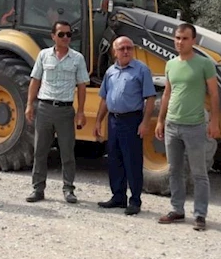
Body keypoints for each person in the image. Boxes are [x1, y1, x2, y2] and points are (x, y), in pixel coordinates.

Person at [154, 23, 221, 231]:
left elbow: (214, 94)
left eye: (184, 38)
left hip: (194, 126)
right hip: (172, 126)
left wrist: (215, 121)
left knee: (199, 173)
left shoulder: (204, 64)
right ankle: (177, 209)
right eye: (177, 38)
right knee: (175, 171)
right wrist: (160, 120)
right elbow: (167, 93)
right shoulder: (170, 64)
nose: (179, 42)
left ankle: (200, 214)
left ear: (193, 41)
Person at [25, 21, 89, 203]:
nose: (66, 38)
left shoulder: (77, 58)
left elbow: (82, 86)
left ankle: (68, 189)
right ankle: (38, 189)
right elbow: (35, 80)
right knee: (40, 150)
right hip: (44, 108)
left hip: (65, 110)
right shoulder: (44, 55)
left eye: (69, 35)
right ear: (53, 36)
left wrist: (81, 111)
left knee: (67, 152)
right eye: (61, 34)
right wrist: (30, 104)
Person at [94, 37, 156, 215]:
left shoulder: (142, 70)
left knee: (133, 161)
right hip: (113, 120)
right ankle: (118, 197)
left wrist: (145, 122)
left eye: (129, 47)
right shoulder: (110, 72)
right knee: (114, 159)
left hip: (132, 121)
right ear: (115, 51)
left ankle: (135, 201)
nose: (126, 51)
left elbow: (150, 98)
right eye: (122, 48)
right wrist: (98, 121)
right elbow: (105, 98)